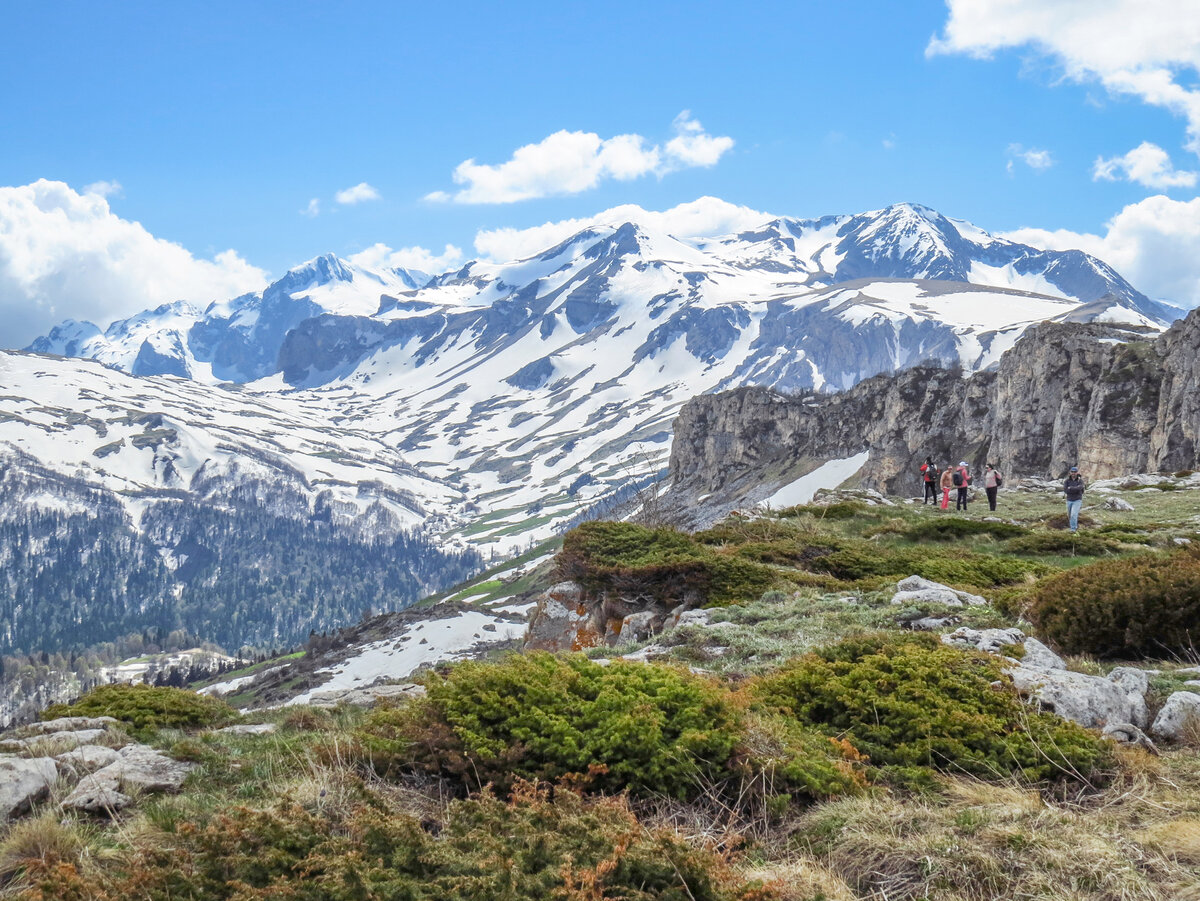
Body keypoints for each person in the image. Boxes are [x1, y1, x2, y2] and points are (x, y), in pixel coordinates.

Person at [1063, 465, 1085, 532]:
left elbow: (1081, 488)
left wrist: (1071, 488)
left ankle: (1073, 529)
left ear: (1077, 473)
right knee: (1069, 515)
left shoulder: (1080, 480)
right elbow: (1066, 490)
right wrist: (1075, 489)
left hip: (1077, 500)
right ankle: (1073, 526)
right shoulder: (1066, 481)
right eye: (1072, 472)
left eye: (1075, 472)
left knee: (1073, 514)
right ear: (1070, 472)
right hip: (1069, 500)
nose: (1073, 473)